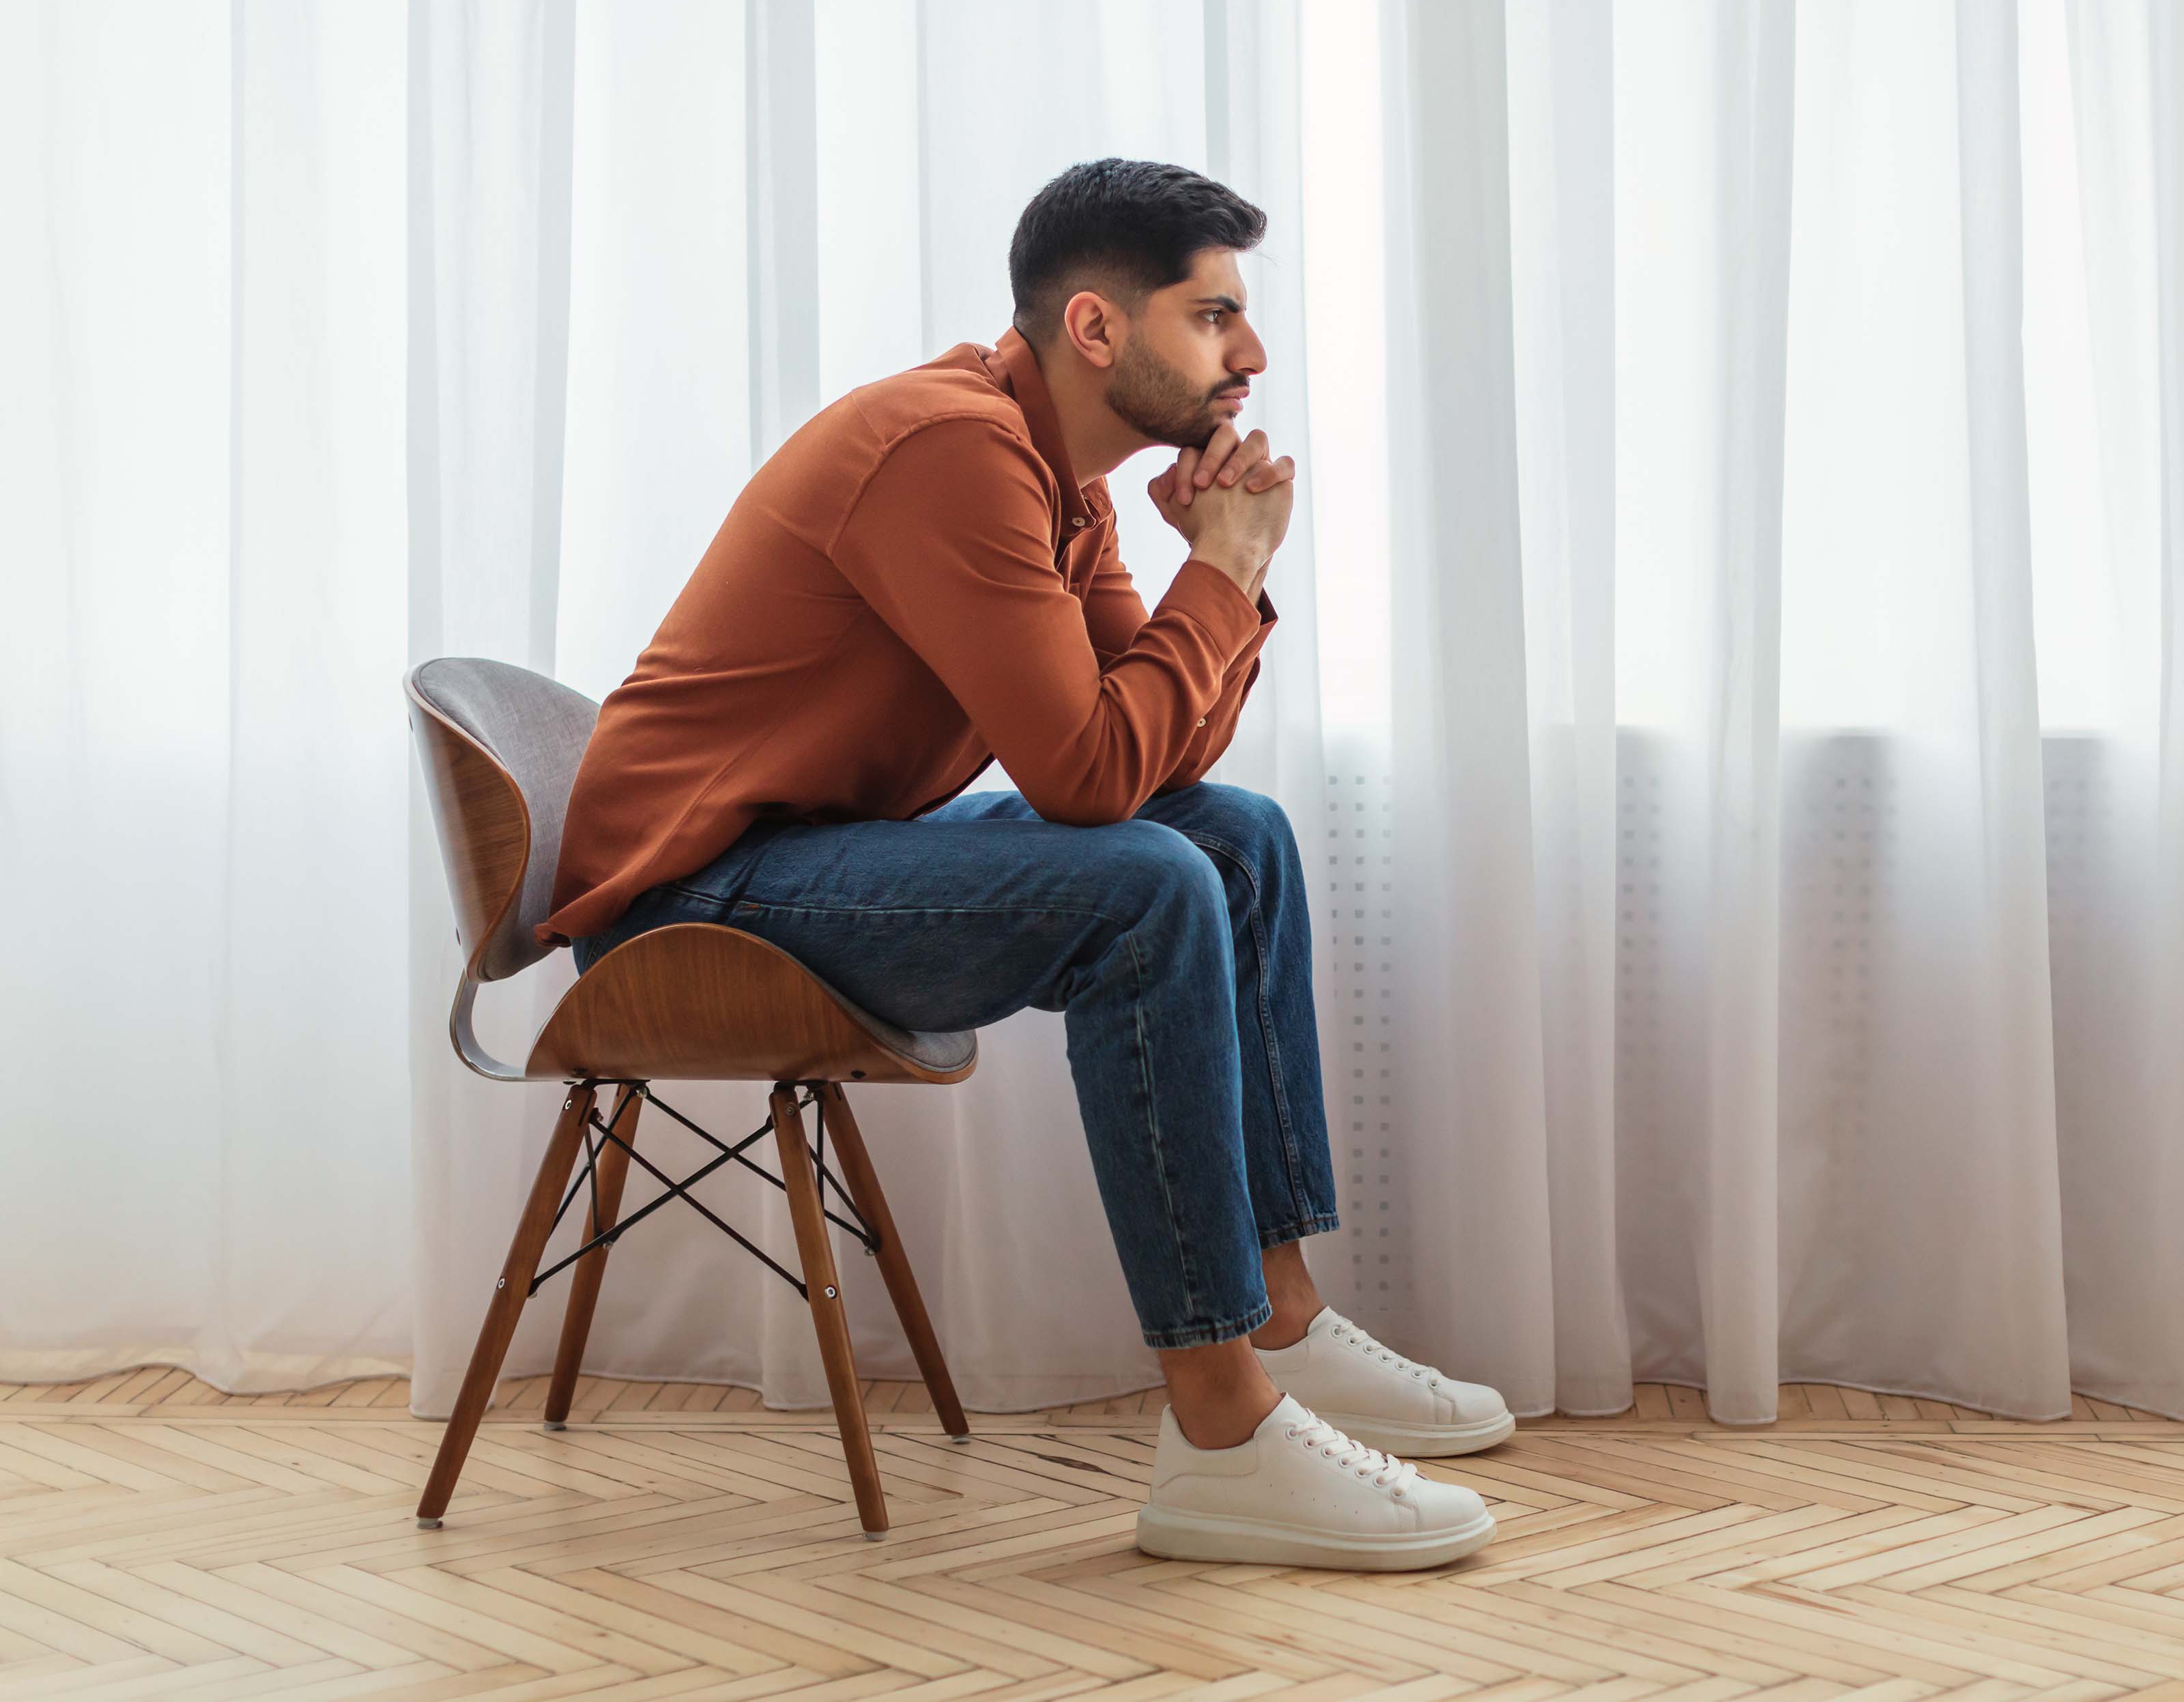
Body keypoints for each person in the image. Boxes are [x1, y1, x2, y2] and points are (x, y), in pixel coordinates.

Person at [537, 158, 1508, 1571]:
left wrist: (1208, 580)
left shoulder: (1058, 479)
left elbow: (1153, 759)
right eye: (1211, 315)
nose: (1248, 354)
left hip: (807, 850)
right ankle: (1223, 1433)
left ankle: (1281, 1324)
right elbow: (1083, 777)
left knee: (1228, 836)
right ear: (1098, 329)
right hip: (695, 900)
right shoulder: (952, 452)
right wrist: (1224, 577)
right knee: (1148, 884)